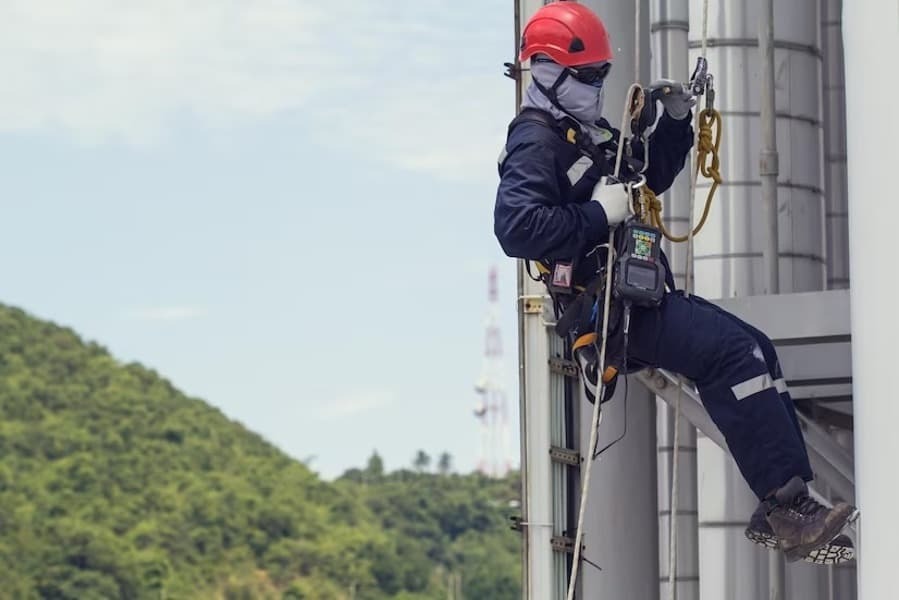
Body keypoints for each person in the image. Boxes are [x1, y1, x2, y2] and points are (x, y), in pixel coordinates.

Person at [494, 0, 857, 564]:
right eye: (588, 77)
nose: (596, 87)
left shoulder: (580, 133)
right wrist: (598, 215)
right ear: (548, 71)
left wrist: (678, 122)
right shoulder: (536, 141)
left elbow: (645, 173)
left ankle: (782, 503)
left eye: (600, 77)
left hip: (637, 296)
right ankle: (788, 508)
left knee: (755, 348)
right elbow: (516, 228)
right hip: (611, 309)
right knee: (735, 354)